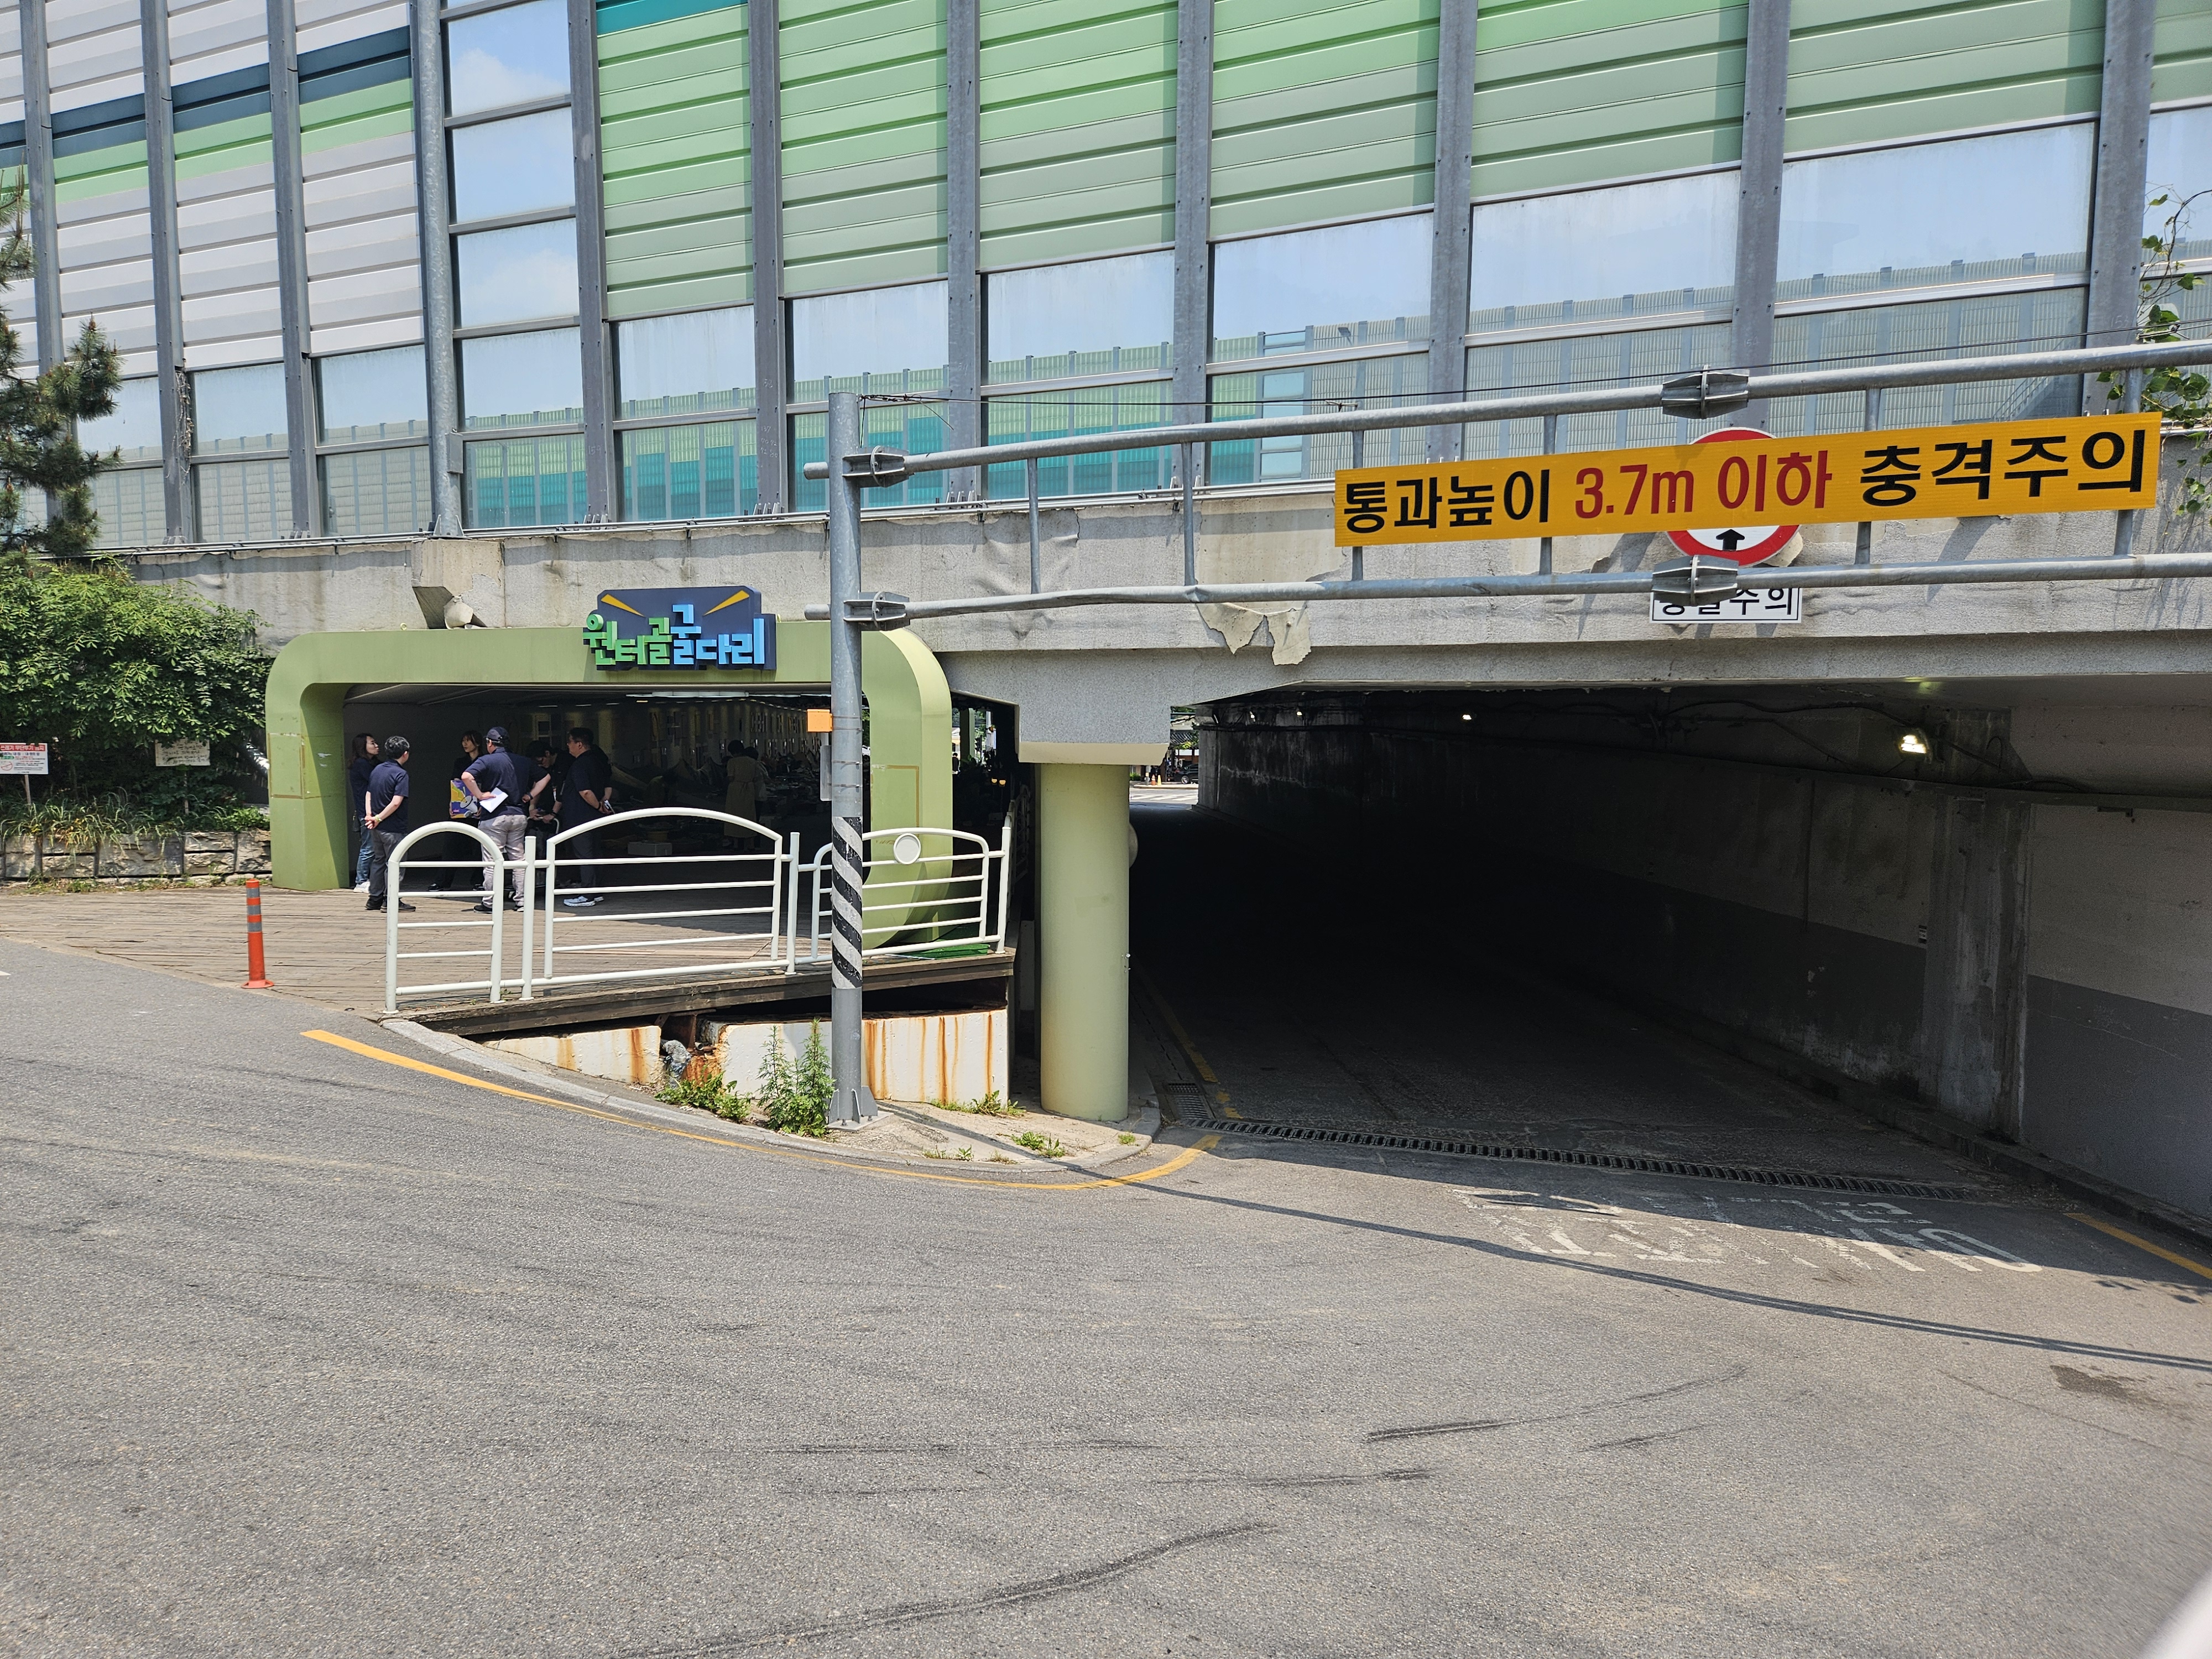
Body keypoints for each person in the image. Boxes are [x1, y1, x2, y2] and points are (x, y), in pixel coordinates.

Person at [460, 726, 537, 912]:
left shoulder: (486, 760)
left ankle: (490, 903)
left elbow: (466, 776)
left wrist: (480, 795)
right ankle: (522, 901)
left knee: (492, 861)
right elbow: (546, 777)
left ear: (489, 743)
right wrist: (530, 795)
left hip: (494, 818)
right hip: (518, 815)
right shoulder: (523, 761)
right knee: (519, 860)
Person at [558, 727, 614, 908]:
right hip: (596, 817)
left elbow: (585, 792)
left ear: (580, 744)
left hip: (581, 817)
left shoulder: (579, 765)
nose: (568, 746)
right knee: (595, 852)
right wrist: (604, 804)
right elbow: (608, 785)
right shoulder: (598, 761)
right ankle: (596, 892)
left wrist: (597, 805)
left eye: (570, 742)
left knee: (584, 855)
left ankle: (588, 894)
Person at [363, 735, 416, 912]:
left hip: (376, 827)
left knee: (378, 861)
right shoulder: (401, 774)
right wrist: (379, 818)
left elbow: (369, 794)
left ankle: (374, 899)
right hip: (393, 828)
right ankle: (391, 900)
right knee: (394, 863)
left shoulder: (377, 769)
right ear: (405, 754)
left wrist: (370, 816)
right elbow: (396, 802)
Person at [346, 733, 379, 890]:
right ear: (362, 747)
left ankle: (369, 879)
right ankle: (361, 881)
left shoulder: (372, 763)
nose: (376, 745)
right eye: (372, 743)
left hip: (372, 812)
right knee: (369, 847)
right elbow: (377, 781)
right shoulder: (362, 764)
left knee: (373, 847)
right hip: (367, 813)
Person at [723, 740, 768, 826]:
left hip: (736, 789)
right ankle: (751, 832)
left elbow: (731, 778)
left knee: (736, 813)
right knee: (749, 813)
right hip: (750, 789)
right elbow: (758, 777)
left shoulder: (732, 762)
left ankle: (736, 833)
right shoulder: (752, 762)